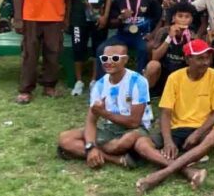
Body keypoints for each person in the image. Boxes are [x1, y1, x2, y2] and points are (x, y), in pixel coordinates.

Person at [134, 39, 214, 192]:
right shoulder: (174, 78)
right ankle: (187, 171)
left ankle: (161, 174)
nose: (206, 62)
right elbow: (166, 113)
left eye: (207, 58)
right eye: (200, 58)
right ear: (187, 59)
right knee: (141, 143)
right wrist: (168, 141)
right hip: (176, 128)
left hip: (202, 129)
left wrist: (197, 133)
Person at [57, 41, 152, 169]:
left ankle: (85, 150)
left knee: (125, 141)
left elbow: (134, 122)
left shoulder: (138, 81)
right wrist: (91, 147)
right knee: (65, 139)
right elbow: (91, 121)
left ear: (125, 60)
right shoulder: (99, 85)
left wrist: (104, 113)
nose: (109, 62)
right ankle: (116, 159)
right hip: (110, 129)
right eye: (105, 58)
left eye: (115, 58)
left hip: (136, 129)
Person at [65, 0, 116, 96]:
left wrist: (105, 16)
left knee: (98, 48)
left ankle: (95, 80)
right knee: (78, 47)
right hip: (79, 16)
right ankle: (79, 81)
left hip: (99, 17)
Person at [99, 0, 162, 79]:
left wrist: (152, 35)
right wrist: (120, 18)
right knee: (102, 49)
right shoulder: (118, 0)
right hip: (122, 35)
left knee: (144, 49)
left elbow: (160, 19)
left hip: (141, 35)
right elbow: (110, 23)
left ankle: (139, 78)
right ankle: (102, 80)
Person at [145, 2, 196, 96]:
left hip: (182, 72)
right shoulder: (163, 31)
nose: (183, 20)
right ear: (173, 18)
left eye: (187, 17)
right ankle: (147, 94)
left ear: (191, 20)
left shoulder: (193, 35)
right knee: (153, 65)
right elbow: (155, 57)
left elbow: (195, 60)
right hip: (164, 71)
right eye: (180, 16)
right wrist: (169, 37)